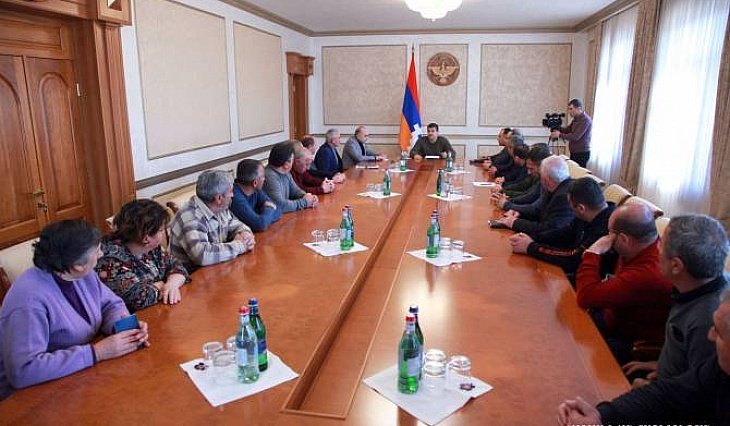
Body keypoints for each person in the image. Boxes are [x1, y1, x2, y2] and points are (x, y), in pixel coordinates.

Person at [0, 220, 149, 401]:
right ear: (78, 264)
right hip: (29, 398)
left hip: (78, 377)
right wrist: (97, 352)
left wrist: (124, 328)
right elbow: (23, 370)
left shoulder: (81, 274)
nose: (101, 254)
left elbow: (110, 305)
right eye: (97, 250)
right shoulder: (28, 301)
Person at [557, 288, 730, 425]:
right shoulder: (717, 367)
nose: (710, 335)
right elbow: (669, 395)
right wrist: (602, 415)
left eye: (719, 332)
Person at [623, 214, 729, 386]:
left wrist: (649, 388)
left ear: (676, 266)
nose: (656, 248)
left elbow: (700, 389)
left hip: (669, 395)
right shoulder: (692, 288)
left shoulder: (708, 320)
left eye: (661, 244)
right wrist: (661, 364)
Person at [575, 203, 673, 364]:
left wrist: (593, 253)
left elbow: (585, 297)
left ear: (624, 239)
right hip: (614, 316)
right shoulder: (644, 245)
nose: (607, 238)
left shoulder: (646, 273)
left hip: (630, 341)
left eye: (610, 233)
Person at [96, 200, 190, 312]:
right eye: (161, 230)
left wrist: (171, 284)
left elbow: (177, 266)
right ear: (146, 238)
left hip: (159, 311)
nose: (164, 233)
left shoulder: (152, 248)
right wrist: (163, 285)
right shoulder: (109, 261)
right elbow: (139, 299)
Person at [509, 177, 615, 275]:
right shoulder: (590, 213)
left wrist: (531, 247)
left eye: (570, 206)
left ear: (581, 208)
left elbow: (574, 258)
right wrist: (531, 237)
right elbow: (564, 233)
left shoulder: (608, 227)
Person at [169, 170, 255, 271]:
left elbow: (237, 225)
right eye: (231, 191)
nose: (233, 195)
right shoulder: (190, 217)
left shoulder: (220, 208)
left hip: (216, 269)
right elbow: (202, 255)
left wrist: (245, 235)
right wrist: (240, 246)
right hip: (190, 276)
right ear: (219, 198)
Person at [495, 155, 574, 239]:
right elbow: (538, 211)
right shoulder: (554, 187)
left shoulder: (565, 195)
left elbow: (550, 229)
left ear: (547, 179)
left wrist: (514, 222)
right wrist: (519, 214)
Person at [264, 141, 318, 213]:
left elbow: (295, 191)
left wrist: (306, 196)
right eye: (293, 160)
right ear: (286, 164)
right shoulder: (269, 177)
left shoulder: (285, 172)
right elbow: (281, 205)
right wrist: (305, 202)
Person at [230, 159, 282, 232]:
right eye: (263, 176)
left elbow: (278, 210)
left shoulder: (256, 190)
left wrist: (263, 216)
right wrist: (268, 209)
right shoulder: (235, 197)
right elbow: (260, 225)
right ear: (255, 183)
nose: (265, 179)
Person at [550, 98, 592, 167]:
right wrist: (558, 128)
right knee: (573, 170)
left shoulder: (585, 120)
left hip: (581, 153)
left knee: (578, 172)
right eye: (569, 109)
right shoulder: (576, 119)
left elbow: (575, 137)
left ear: (579, 108)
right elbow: (567, 130)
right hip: (575, 152)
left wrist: (559, 134)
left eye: (571, 109)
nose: (569, 111)